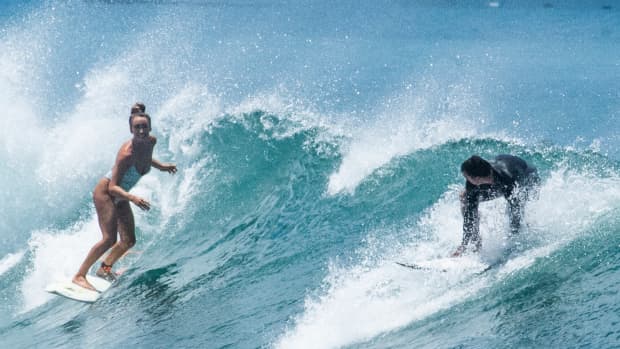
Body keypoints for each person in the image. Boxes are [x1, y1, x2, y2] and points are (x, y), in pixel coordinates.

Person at [73, 103, 177, 290]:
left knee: (129, 240)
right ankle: (80, 275)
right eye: (137, 127)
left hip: (122, 195)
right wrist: (133, 198)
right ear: (131, 129)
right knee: (109, 239)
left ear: (150, 127)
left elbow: (145, 158)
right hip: (106, 193)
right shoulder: (125, 154)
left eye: (144, 126)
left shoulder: (151, 142)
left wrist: (162, 166)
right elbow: (112, 186)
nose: (141, 130)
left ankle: (105, 268)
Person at [452, 154, 539, 257]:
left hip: (528, 178)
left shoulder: (509, 180)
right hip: (496, 177)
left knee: (516, 209)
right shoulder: (473, 183)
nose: (466, 179)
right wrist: (465, 243)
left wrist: (512, 244)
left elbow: (515, 213)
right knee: (465, 197)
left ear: (476, 178)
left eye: (466, 176)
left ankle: (526, 230)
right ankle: (476, 241)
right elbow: (469, 213)